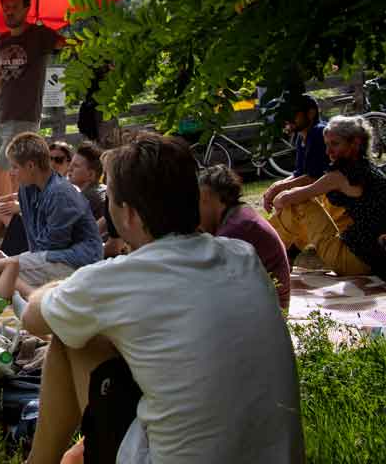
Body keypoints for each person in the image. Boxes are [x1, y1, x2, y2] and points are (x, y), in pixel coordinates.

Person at [21, 133, 303, 464]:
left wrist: (63, 287)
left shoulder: (120, 278)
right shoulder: (243, 256)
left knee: (71, 338)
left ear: (128, 214)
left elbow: (32, 319)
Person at [0, 133, 102, 316]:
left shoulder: (60, 193)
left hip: (79, 261)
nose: (11, 172)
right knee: (6, 271)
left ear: (31, 166)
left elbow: (52, 246)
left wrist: (2, 263)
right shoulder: (28, 189)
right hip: (51, 256)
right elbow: (38, 248)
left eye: (15, 167)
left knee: (6, 270)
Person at [268, 115, 386, 277]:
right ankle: (279, 254)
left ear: (355, 143)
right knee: (310, 200)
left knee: (300, 203)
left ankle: (266, 255)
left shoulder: (342, 175)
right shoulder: (368, 169)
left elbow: (286, 199)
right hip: (375, 258)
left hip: (354, 261)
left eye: (335, 144)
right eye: (327, 145)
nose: (328, 152)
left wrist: (277, 200)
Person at [0, 0, 65, 203]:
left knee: (1, 169)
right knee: (14, 177)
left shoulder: (39, 35)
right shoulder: (2, 40)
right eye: (6, 7)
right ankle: (16, 219)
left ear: (26, 8)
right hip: (2, 118)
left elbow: (71, 46)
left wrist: (97, 50)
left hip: (25, 117)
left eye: (15, 6)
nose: (9, 11)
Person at [198, 165, 291, 309]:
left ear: (213, 199)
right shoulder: (239, 216)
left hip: (268, 311)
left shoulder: (236, 230)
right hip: (265, 305)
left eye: (201, 202)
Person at [261, 94, 340, 228]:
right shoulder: (302, 136)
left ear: (311, 113)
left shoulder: (318, 133)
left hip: (337, 202)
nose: (288, 118)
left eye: (293, 113)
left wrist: (278, 188)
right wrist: (276, 186)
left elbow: (313, 177)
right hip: (324, 195)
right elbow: (299, 173)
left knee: (293, 199)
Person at [67, 142, 106, 220]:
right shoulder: (105, 191)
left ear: (91, 174)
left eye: (76, 166)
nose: (69, 169)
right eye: (71, 164)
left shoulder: (88, 198)